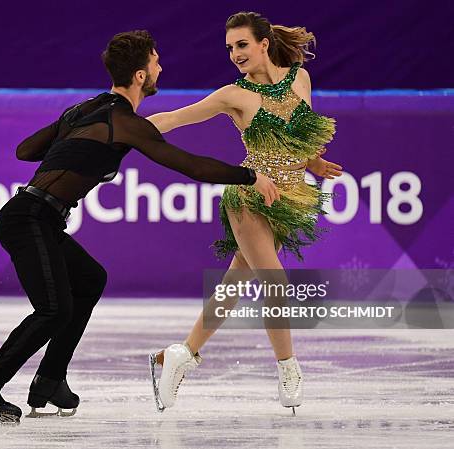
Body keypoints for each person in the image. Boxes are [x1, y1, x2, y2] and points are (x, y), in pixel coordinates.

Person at [0, 29, 278, 425]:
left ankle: (49, 380)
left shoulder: (87, 110)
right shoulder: (124, 122)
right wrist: (249, 177)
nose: (161, 67)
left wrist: (69, 128)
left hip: (38, 216)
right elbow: (190, 165)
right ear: (140, 75)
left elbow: (26, 150)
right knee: (53, 310)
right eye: (156, 61)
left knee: (90, 279)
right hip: (30, 218)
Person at [147, 12, 342, 415]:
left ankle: (179, 355)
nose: (235, 54)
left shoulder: (301, 79)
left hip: (288, 199)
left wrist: (315, 164)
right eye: (230, 48)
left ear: (264, 43)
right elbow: (172, 119)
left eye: (242, 45)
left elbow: (298, 138)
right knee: (275, 282)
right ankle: (288, 366)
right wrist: (118, 129)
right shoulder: (234, 95)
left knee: (233, 287)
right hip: (250, 195)